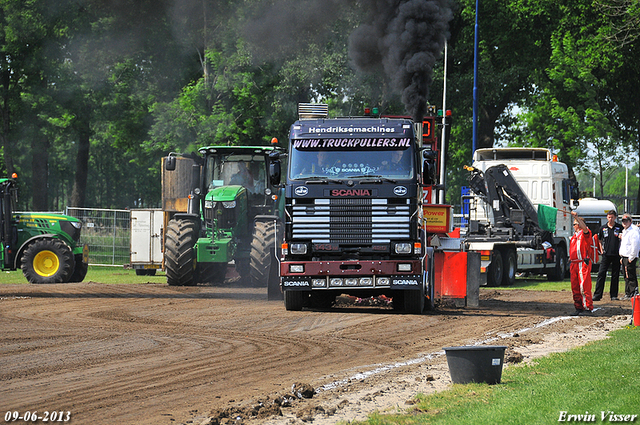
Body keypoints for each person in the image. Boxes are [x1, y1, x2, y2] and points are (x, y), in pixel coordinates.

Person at [593, 210, 623, 301]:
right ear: (607, 217)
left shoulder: (619, 227)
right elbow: (600, 240)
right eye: (609, 217)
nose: (611, 219)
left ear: (615, 217)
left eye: (612, 217)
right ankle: (597, 295)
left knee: (615, 275)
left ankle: (613, 295)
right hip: (606, 255)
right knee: (601, 274)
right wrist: (601, 250)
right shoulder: (603, 228)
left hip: (616, 254)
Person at [569, 211, 594, 315]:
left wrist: (577, 217)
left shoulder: (584, 234)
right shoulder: (574, 236)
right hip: (573, 264)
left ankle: (587, 307)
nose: (573, 226)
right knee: (575, 287)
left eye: (574, 224)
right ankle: (578, 307)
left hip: (582, 263)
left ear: (578, 224)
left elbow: (585, 229)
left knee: (584, 286)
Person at [618, 213, 640, 300]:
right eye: (623, 221)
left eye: (626, 221)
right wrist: (621, 257)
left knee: (630, 275)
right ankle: (628, 293)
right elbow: (624, 245)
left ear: (630, 221)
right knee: (626, 276)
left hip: (629, 257)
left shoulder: (633, 231)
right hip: (624, 257)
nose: (624, 223)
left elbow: (635, 245)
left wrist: (631, 257)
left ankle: (633, 293)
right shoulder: (625, 231)